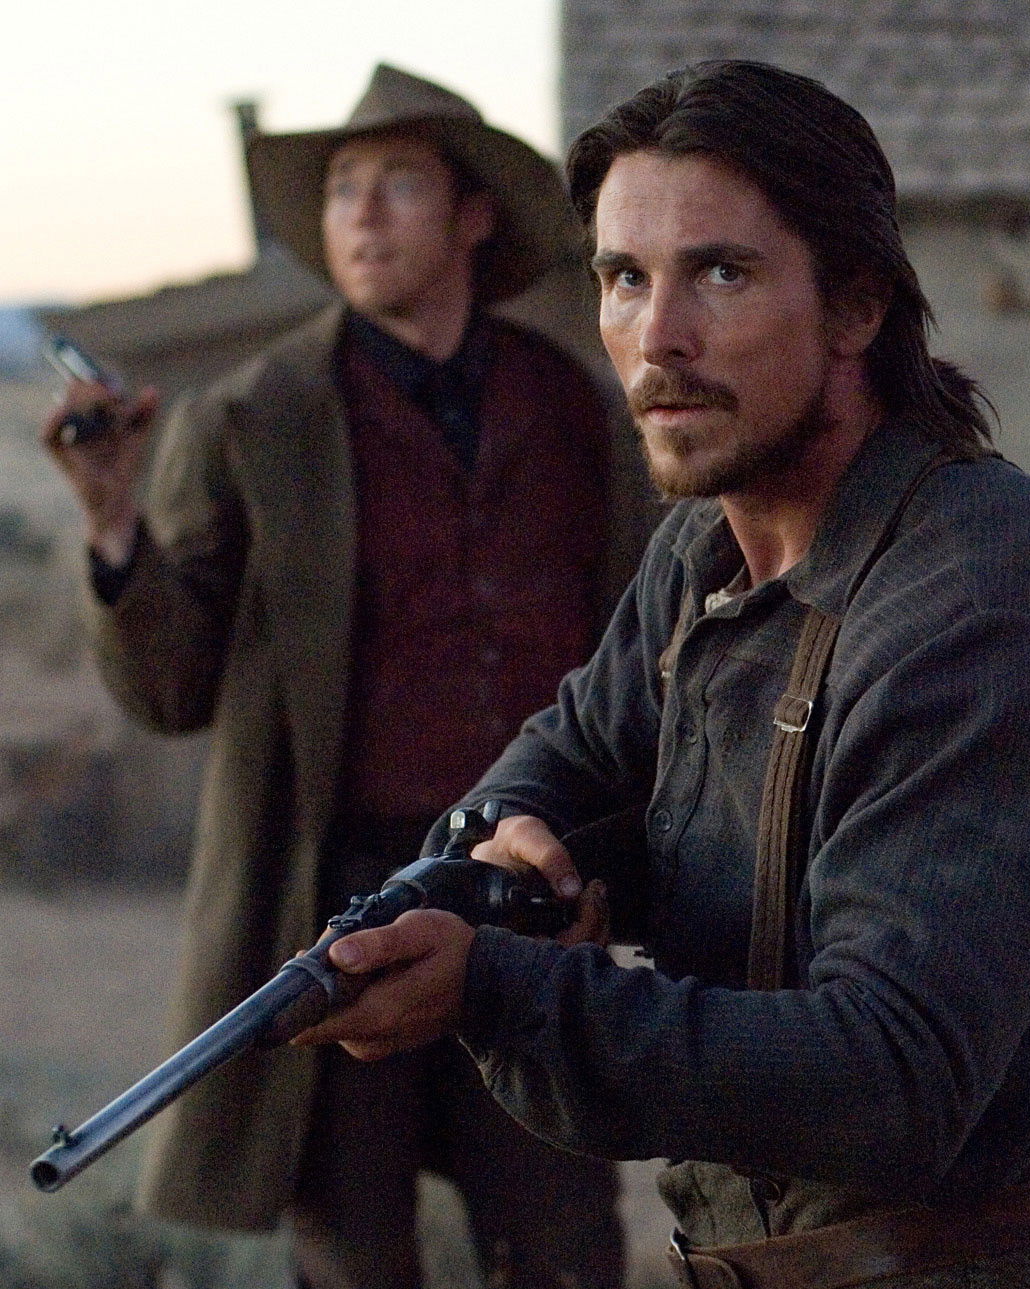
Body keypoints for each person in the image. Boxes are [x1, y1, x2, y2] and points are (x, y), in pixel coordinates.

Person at [291, 60, 1030, 1288]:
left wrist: (503, 989)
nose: (658, 338)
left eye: (721, 273)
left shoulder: (978, 590)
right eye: (624, 277)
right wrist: (503, 855)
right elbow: (562, 755)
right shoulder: (706, 547)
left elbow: (893, 1070)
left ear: (855, 306)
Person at [43, 64, 631, 1289]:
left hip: (528, 894)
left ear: (473, 216)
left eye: (398, 184)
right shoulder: (254, 416)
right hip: (340, 900)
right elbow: (168, 689)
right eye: (341, 188)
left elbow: (639, 652)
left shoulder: (570, 403)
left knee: (565, 1244)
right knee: (353, 1253)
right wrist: (113, 526)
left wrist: (614, 871)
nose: (360, 214)